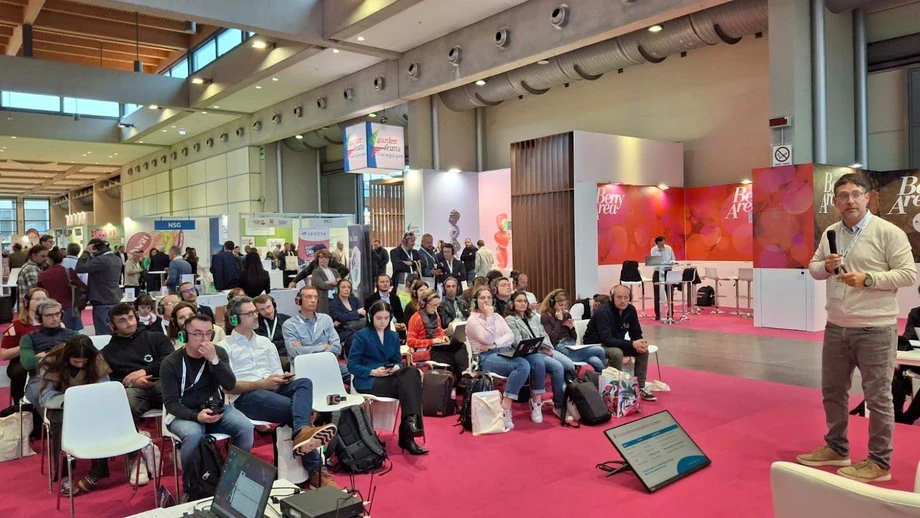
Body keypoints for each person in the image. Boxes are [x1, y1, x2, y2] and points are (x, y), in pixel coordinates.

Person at [798, 172, 916, 483]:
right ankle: (836, 448)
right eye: (843, 196)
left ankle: (879, 462)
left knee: (878, 397)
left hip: (875, 328)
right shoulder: (831, 232)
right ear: (835, 202)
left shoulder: (888, 232)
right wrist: (825, 266)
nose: (849, 200)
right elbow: (814, 268)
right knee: (832, 391)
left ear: (867, 198)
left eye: (855, 194)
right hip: (837, 325)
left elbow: (908, 274)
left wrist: (869, 278)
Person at [220, 296, 339, 488]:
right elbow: (228, 386)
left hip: (272, 389)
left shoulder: (266, 342)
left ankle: (302, 432)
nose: (256, 316)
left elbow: (275, 372)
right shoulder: (224, 347)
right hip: (246, 397)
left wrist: (281, 378)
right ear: (234, 319)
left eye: (255, 311)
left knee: (304, 383)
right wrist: (261, 383)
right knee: (296, 410)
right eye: (250, 313)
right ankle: (317, 470)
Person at [162, 314, 253, 493]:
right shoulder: (171, 363)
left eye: (209, 333)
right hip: (183, 414)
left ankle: (233, 478)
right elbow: (171, 403)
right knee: (194, 434)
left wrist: (214, 360)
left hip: (215, 409)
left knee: (245, 427)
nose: (204, 339)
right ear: (184, 336)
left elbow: (230, 385)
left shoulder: (218, 353)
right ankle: (192, 486)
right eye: (197, 334)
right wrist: (196, 416)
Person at [348, 301, 427, 455]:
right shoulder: (362, 335)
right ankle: (408, 433)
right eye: (379, 318)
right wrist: (372, 372)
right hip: (369, 380)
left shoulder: (393, 335)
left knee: (411, 373)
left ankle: (410, 424)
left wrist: (396, 366)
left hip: (390, 377)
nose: (383, 322)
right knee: (412, 385)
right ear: (371, 317)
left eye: (386, 318)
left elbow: (398, 361)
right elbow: (352, 365)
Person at [37, 335, 112, 496]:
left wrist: (88, 400)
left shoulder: (96, 359)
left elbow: (105, 388)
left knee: (101, 419)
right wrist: (71, 400)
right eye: (76, 361)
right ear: (67, 356)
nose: (80, 365)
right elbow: (46, 397)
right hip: (61, 405)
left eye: (84, 362)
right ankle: (64, 474)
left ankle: (98, 471)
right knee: (61, 423)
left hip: (90, 403)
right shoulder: (51, 362)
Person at [466, 286, 541, 429]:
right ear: (475, 301)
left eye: (489, 298)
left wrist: (495, 344)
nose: (486, 301)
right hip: (483, 358)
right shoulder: (472, 320)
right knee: (522, 365)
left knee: (533, 361)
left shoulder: (498, 317)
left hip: (501, 351)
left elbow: (510, 336)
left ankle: (523, 402)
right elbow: (487, 338)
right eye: (482, 298)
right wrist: (489, 317)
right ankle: (506, 406)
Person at [505, 290, 573, 423]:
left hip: (544, 349)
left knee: (569, 365)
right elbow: (518, 342)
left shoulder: (534, 317)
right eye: (519, 301)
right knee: (557, 367)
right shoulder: (510, 320)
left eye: (525, 301)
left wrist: (548, 347)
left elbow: (544, 334)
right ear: (512, 304)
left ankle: (570, 399)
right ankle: (559, 405)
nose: (523, 304)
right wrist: (540, 348)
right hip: (530, 353)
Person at [584, 285, 657, 402]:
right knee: (616, 353)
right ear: (612, 298)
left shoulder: (630, 310)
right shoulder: (603, 312)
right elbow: (607, 339)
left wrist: (640, 343)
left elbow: (636, 333)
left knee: (643, 352)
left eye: (625, 297)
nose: (623, 301)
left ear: (630, 298)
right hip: (596, 344)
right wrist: (632, 344)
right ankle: (617, 389)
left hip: (614, 342)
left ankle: (640, 387)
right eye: (619, 297)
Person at [102, 303, 173, 420]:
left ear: (136, 317)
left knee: (180, 396)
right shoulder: (107, 352)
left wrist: (144, 371)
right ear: (113, 326)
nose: (129, 323)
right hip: (132, 390)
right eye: (122, 321)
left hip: (161, 382)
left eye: (131, 317)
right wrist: (131, 383)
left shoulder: (157, 337)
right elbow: (110, 380)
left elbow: (170, 360)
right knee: (122, 406)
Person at [282, 286, 349, 381]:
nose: (313, 300)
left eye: (316, 297)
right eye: (309, 297)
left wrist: (305, 349)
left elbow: (337, 347)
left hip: (328, 364)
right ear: (299, 301)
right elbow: (295, 352)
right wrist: (323, 346)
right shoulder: (289, 325)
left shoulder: (325, 319)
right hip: (304, 367)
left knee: (355, 377)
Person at [22, 299, 78, 410]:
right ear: (39, 318)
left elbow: (84, 356)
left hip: (69, 375)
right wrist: (64, 355)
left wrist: (46, 356)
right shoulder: (28, 338)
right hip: (39, 378)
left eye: (57, 314)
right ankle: (52, 421)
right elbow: (28, 363)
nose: (55, 318)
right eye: (49, 315)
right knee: (40, 397)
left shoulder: (73, 334)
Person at [1, 287, 47, 409]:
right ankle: (21, 407)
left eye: (44, 299)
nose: (42, 302)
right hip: (22, 361)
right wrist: (26, 345)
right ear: (27, 303)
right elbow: (4, 354)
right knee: (21, 372)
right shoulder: (17, 325)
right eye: (37, 299)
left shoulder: (54, 322)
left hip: (47, 359)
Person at [75, 238, 123, 335]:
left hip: (102, 300)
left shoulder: (101, 260)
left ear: (94, 248)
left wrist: (86, 252)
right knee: (114, 331)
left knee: (103, 333)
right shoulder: (117, 259)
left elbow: (80, 268)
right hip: (114, 298)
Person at [37, 248, 86, 331]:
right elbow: (82, 286)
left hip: (50, 308)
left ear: (49, 259)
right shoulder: (69, 272)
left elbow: (39, 291)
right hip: (69, 308)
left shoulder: (43, 275)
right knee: (73, 334)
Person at [435, 277, 471, 377]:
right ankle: (466, 373)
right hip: (454, 332)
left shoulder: (463, 303)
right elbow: (446, 323)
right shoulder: (441, 305)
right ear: (444, 289)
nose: (451, 289)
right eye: (448, 286)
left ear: (457, 288)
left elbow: (470, 317)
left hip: (468, 329)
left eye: (453, 286)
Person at [407, 290, 449, 363]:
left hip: (436, 348)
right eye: (433, 305)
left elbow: (439, 332)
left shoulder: (436, 316)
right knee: (450, 358)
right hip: (424, 351)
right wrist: (432, 341)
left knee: (460, 347)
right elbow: (410, 341)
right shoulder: (416, 318)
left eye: (437, 305)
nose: (435, 308)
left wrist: (443, 336)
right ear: (423, 304)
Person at [254, 294, 292, 371]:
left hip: (292, 353)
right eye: (262, 309)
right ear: (257, 311)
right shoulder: (256, 325)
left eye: (269, 307)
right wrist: (287, 342)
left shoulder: (287, 319)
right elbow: (264, 345)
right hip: (273, 356)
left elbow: (297, 340)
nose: (267, 311)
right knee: (290, 364)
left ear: (274, 305)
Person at [328, 279, 366, 356]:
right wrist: (357, 312)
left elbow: (363, 313)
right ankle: (352, 358)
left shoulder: (355, 300)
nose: (346, 289)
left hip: (358, 327)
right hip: (343, 331)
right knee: (356, 337)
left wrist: (346, 317)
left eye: (349, 287)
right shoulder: (333, 304)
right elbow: (340, 317)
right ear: (338, 289)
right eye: (343, 287)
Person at [650, 235, 676, 321]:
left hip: (668, 272)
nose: (662, 245)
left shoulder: (669, 248)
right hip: (658, 272)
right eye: (660, 244)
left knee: (670, 293)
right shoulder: (654, 250)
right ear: (657, 244)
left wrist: (671, 263)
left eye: (663, 243)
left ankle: (670, 313)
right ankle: (658, 314)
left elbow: (673, 259)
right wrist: (660, 252)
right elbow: (654, 262)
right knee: (657, 294)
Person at [309, 249, 340, 315]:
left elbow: (340, 282)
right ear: (318, 259)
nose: (323, 259)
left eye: (326, 257)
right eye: (321, 257)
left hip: (336, 296)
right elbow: (322, 285)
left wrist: (328, 282)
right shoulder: (316, 272)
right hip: (323, 299)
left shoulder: (335, 271)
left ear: (329, 259)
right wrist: (334, 282)